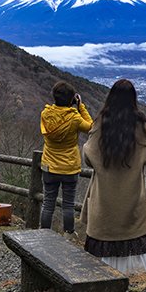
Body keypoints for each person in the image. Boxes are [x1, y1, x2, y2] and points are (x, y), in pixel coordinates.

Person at [80, 79, 146, 292]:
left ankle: (93, 285)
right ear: (133, 98)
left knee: (99, 239)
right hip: (132, 193)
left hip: (105, 195)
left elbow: (89, 156)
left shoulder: (101, 122)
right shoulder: (140, 124)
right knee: (141, 237)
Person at [40, 81, 93, 237]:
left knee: (48, 203)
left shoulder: (45, 114)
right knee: (68, 204)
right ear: (72, 100)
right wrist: (80, 106)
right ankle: (68, 234)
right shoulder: (74, 118)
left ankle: (44, 234)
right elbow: (91, 126)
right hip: (69, 167)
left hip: (49, 164)